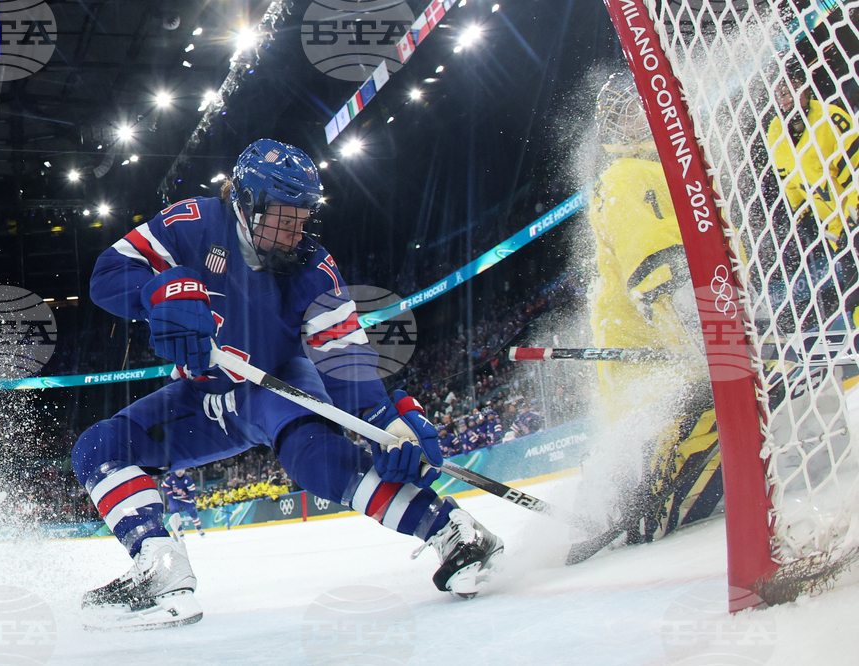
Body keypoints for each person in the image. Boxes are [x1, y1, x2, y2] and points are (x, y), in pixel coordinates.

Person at [72, 139, 503, 631]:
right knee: (100, 447)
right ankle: (160, 570)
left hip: (274, 382)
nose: (296, 231)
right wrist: (156, 291)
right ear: (247, 202)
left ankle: (451, 529)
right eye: (284, 216)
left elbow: (346, 363)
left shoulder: (314, 271)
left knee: (315, 459)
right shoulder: (191, 222)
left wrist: (388, 423)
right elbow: (108, 274)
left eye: (304, 218)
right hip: (201, 396)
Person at [583, 73, 723, 545]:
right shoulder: (626, 176)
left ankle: (640, 499)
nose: (640, 116)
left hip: (667, 348)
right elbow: (653, 275)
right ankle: (646, 509)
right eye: (627, 112)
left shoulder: (667, 169)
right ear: (613, 129)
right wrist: (699, 348)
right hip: (651, 354)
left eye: (642, 106)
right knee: (712, 410)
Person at [765, 58, 859, 329]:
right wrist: (800, 216)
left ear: (804, 89)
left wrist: (854, 219)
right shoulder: (775, 131)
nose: (787, 97)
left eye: (792, 88)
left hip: (853, 220)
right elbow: (790, 182)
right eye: (781, 92)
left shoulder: (831, 117)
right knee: (852, 297)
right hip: (836, 231)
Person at [161, 468, 206, 537]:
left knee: (192, 511)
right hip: (174, 499)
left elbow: (191, 489)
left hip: (185, 498)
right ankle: (180, 530)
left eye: (181, 470)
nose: (180, 472)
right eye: (178, 470)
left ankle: (199, 528)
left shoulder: (187, 479)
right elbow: (165, 486)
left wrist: (191, 497)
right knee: (175, 513)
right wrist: (169, 493)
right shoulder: (170, 478)